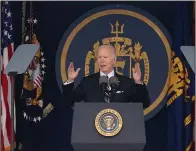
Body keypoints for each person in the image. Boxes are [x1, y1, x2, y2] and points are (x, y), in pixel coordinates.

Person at [62, 44, 150, 108]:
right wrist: (70, 80)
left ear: (114, 60)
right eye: (99, 57)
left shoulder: (126, 82)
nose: (101, 61)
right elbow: (69, 102)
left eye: (105, 57)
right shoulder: (87, 82)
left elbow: (143, 104)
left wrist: (138, 82)